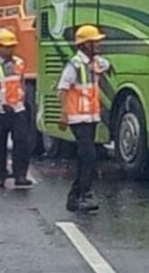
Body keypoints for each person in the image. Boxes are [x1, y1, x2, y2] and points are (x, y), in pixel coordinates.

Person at [59, 25, 110, 212]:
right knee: (88, 156)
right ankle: (81, 194)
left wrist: (109, 67)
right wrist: (63, 113)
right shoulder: (74, 65)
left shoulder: (93, 62)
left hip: (90, 117)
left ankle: (77, 196)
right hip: (77, 118)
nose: (99, 44)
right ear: (85, 45)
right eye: (95, 42)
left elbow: (104, 64)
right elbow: (62, 90)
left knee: (86, 157)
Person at [0, 30, 33, 189]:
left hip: (18, 108)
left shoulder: (19, 62)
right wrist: (3, 102)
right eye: (6, 47)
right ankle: (0, 175)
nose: (10, 50)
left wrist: (22, 102)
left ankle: (20, 175)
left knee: (22, 141)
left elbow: (21, 83)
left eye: (12, 46)